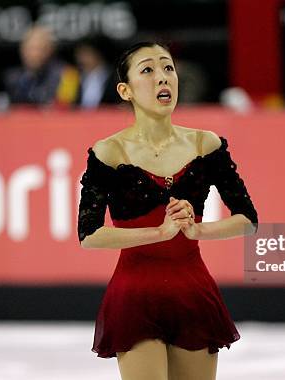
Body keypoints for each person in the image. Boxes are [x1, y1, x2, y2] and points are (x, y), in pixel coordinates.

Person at [77, 42, 258, 379]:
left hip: (193, 291)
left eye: (168, 68)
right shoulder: (109, 152)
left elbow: (248, 220)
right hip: (136, 294)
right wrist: (158, 233)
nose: (163, 77)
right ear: (125, 90)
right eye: (148, 70)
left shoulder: (207, 145)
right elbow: (89, 235)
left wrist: (197, 230)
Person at [3, 26, 79, 106]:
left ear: (50, 50)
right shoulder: (13, 78)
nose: (34, 54)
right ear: (22, 50)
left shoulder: (69, 75)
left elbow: (64, 109)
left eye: (39, 48)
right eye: (30, 49)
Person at [74, 35, 119, 108]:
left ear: (99, 54)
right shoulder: (72, 77)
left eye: (86, 54)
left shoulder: (115, 78)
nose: (81, 59)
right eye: (79, 54)